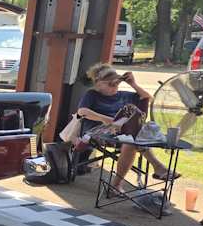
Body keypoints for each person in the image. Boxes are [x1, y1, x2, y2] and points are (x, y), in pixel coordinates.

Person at [76, 62, 179, 193]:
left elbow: (147, 98)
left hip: (123, 132)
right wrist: (106, 119)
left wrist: (133, 84)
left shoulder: (124, 95)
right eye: (111, 84)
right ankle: (157, 168)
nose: (115, 87)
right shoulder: (92, 95)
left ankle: (117, 185)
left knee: (131, 139)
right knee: (132, 140)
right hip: (98, 131)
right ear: (99, 84)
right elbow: (82, 111)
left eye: (117, 84)